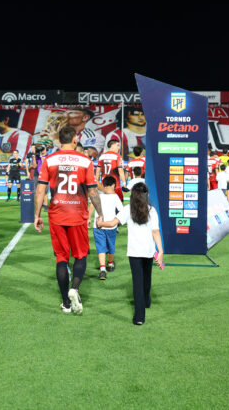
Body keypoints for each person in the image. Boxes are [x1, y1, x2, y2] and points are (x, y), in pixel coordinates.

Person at [34, 125, 103, 315]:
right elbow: (93, 192)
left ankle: (65, 302)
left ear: (59, 140)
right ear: (75, 139)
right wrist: (100, 212)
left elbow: (40, 190)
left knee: (61, 258)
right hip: (77, 214)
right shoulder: (85, 161)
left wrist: (37, 215)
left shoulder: (49, 160)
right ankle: (75, 288)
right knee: (80, 255)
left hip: (57, 214)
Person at [96, 181, 163, 326]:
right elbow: (155, 231)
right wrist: (160, 251)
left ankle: (139, 317)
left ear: (132, 195)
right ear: (147, 195)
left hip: (134, 252)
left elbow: (112, 223)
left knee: (137, 282)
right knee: (147, 278)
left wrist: (100, 224)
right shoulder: (152, 210)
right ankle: (146, 301)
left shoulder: (128, 209)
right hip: (148, 251)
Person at [93, 176, 123, 279]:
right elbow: (121, 210)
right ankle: (110, 264)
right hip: (111, 226)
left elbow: (91, 206)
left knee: (101, 247)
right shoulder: (115, 196)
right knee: (111, 246)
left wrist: (88, 218)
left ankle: (102, 269)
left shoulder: (98, 194)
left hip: (98, 226)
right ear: (114, 185)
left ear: (103, 184)